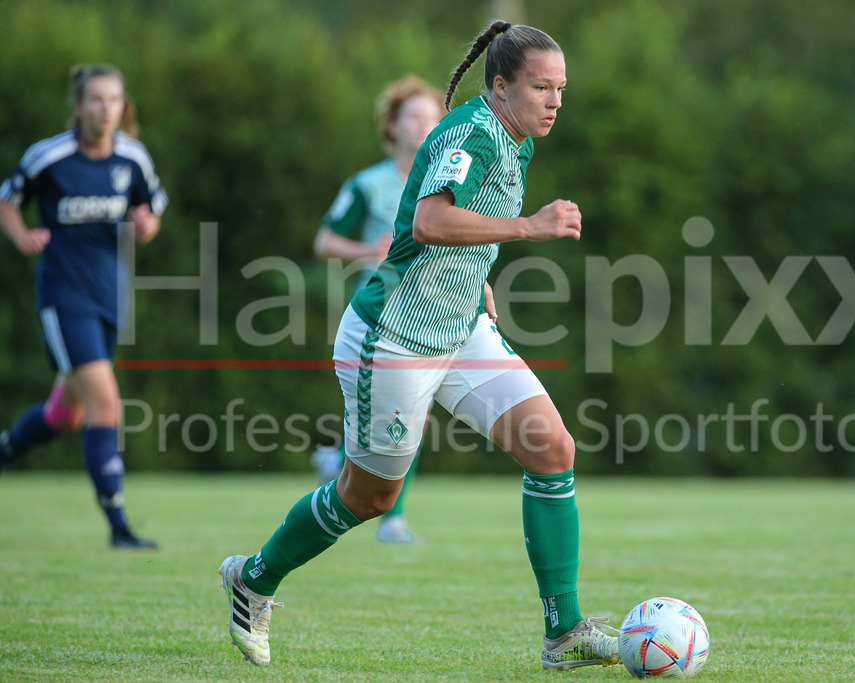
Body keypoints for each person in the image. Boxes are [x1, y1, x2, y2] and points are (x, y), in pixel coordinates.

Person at [219, 21, 620, 670]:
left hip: (460, 328)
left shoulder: (514, 135)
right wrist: (529, 227)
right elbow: (429, 220)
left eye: (561, 89)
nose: (555, 101)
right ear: (500, 86)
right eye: (541, 87)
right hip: (392, 338)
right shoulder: (472, 132)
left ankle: (564, 631)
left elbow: (461, 222)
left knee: (552, 448)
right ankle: (254, 577)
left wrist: (480, 272)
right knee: (368, 496)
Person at [0, 64, 168, 549]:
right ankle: (119, 527)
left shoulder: (133, 157)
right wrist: (20, 235)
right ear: (78, 106)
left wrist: (145, 223)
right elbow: (7, 200)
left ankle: (6, 450)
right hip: (62, 295)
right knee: (106, 403)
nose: (105, 109)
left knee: (66, 414)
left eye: (113, 100)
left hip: (109, 296)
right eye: (95, 99)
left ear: (123, 105)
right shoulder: (50, 157)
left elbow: (153, 208)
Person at [311, 75, 445, 545]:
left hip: (434, 307)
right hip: (381, 311)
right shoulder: (368, 185)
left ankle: (340, 466)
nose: (424, 125)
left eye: (432, 117)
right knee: (402, 412)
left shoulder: (448, 182)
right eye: (414, 116)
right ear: (394, 126)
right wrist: (368, 248)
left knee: (413, 413)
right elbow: (324, 241)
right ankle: (392, 519)